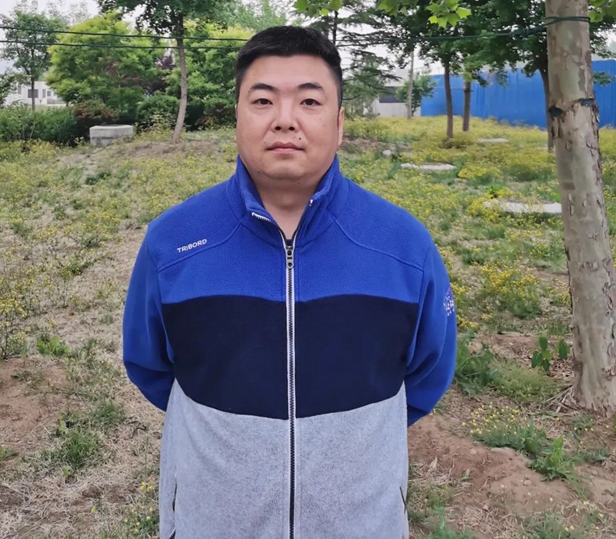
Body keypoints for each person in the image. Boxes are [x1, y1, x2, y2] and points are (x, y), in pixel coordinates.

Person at [123, 26, 457, 539]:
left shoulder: (403, 245)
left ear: (339, 124)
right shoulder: (173, 241)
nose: (285, 119)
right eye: (262, 101)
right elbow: (150, 365)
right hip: (212, 522)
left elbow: (427, 374)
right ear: (237, 118)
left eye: (309, 101)